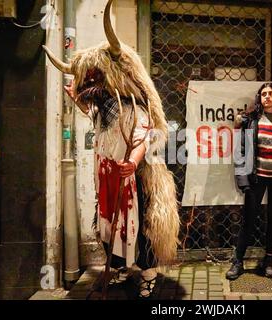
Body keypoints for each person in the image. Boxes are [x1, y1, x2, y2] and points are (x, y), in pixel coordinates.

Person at [43, 0, 179, 299]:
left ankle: (147, 274)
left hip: (133, 178)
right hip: (106, 175)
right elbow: (91, 115)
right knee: (108, 224)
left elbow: (143, 136)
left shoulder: (135, 107)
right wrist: (74, 97)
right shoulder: (105, 109)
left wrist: (132, 162)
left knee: (139, 225)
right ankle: (118, 268)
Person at [226, 82, 272, 280]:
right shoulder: (251, 120)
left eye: (271, 93)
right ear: (259, 98)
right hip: (257, 178)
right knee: (249, 219)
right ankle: (238, 261)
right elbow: (240, 151)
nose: (267, 96)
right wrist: (243, 179)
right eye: (263, 94)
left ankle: (268, 259)